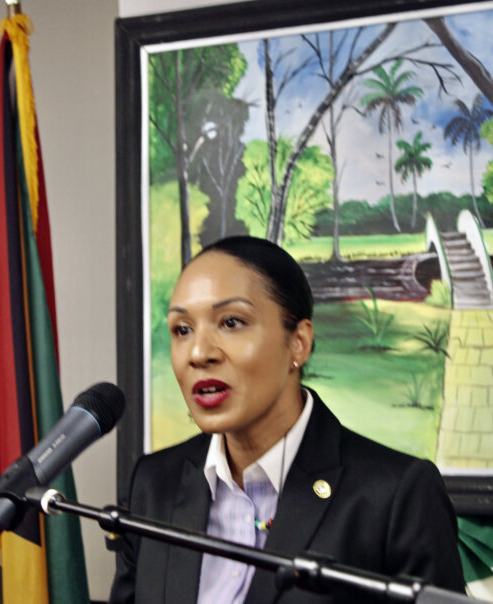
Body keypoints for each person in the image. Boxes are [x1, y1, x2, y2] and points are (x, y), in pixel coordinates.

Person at [109, 235, 465, 604]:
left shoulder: (396, 496)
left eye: (231, 322)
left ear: (298, 343)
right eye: (182, 329)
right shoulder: (154, 485)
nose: (198, 353)